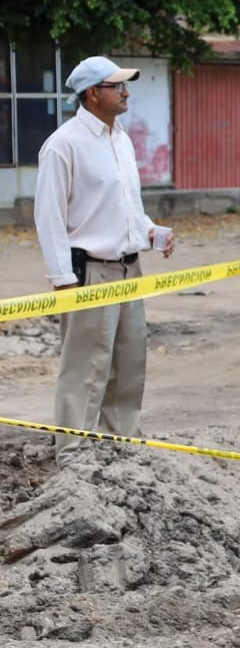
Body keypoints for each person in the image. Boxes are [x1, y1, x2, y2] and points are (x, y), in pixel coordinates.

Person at [32, 56, 176, 455]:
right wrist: (62, 279)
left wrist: (150, 233)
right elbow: (49, 217)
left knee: (129, 361)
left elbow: (126, 204)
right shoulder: (64, 145)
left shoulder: (121, 139)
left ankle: (120, 443)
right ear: (93, 94)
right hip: (90, 272)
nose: (126, 92)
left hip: (130, 269)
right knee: (87, 366)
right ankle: (74, 453)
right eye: (118, 86)